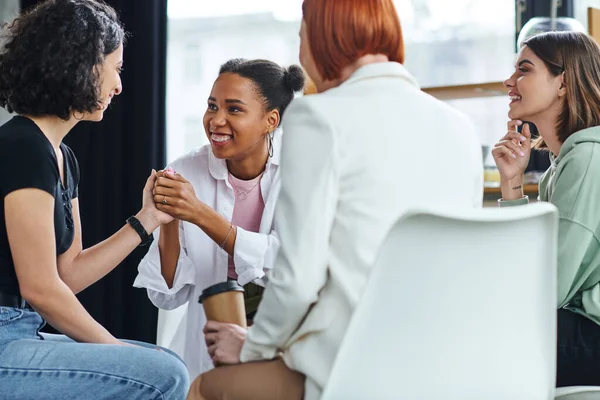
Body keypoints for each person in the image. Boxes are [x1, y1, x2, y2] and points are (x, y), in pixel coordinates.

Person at [186, 0, 483, 399]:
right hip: (447, 365)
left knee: (206, 386)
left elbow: (297, 280)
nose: (301, 54)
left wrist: (252, 345)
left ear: (322, 39)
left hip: (353, 368)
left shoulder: (318, 118)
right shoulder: (459, 126)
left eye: (301, 36)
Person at [0, 1, 188, 398]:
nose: (119, 86)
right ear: (82, 65)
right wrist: (116, 352)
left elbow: (66, 275)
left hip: (20, 332)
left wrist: (146, 220)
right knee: (162, 374)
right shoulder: (22, 148)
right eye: (115, 68)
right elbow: (41, 289)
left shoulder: (62, 157)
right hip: (5, 334)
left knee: (161, 361)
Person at [133, 58, 306, 380]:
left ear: (271, 120)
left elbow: (289, 264)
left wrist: (200, 214)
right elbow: (168, 294)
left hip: (280, 342)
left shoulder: (301, 172)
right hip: (206, 342)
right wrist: (170, 220)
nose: (216, 120)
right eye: (212, 106)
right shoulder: (186, 171)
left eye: (234, 109)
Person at [492, 31, 600, 387]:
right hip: (579, 327)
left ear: (564, 83)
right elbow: (527, 265)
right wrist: (511, 183)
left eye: (524, 70)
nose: (509, 82)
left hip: (591, 335)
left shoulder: (587, 159)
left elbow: (548, 289)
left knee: (480, 328)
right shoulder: (562, 164)